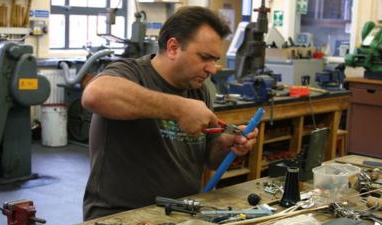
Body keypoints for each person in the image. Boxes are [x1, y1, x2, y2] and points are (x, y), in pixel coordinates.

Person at [81, 6, 259, 221]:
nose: (212, 69)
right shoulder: (132, 73)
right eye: (205, 57)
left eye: (215, 59)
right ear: (173, 47)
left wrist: (225, 144)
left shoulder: (199, 90)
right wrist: (179, 109)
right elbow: (95, 94)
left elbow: (210, 160)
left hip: (181, 213)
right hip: (122, 215)